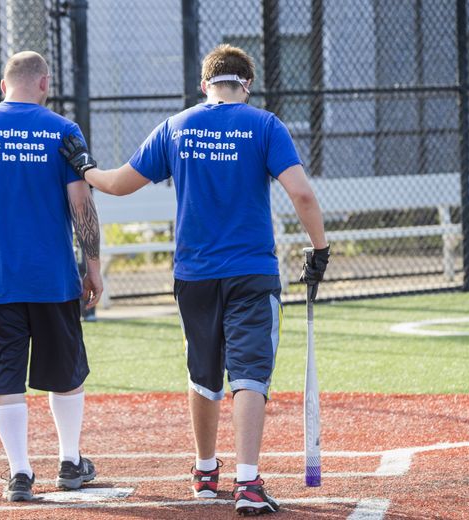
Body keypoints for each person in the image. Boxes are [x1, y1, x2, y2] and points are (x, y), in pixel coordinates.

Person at [60, 44, 329, 515]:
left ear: (205, 85)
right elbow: (302, 194)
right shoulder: (265, 125)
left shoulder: (177, 126)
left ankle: (205, 472)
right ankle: (248, 483)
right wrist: (320, 249)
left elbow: (120, 183)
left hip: (194, 274)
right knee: (250, 373)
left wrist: (83, 167)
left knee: (203, 373)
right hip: (251, 271)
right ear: (247, 84)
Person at [0, 51, 103, 502]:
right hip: (53, 280)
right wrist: (93, 268)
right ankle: (70, 462)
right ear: (45, 83)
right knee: (66, 373)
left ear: (2, 84)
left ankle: (20, 473)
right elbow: (82, 205)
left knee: (4, 379)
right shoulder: (63, 131)